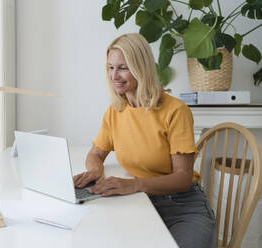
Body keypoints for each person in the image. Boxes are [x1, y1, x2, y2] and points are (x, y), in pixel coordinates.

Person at [73, 33, 217, 248]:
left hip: (182, 207)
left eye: (123, 67)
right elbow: (95, 153)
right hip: (143, 203)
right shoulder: (115, 112)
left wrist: (133, 185)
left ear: (141, 67)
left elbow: (182, 178)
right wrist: (95, 171)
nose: (114, 75)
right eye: (110, 67)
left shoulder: (175, 111)